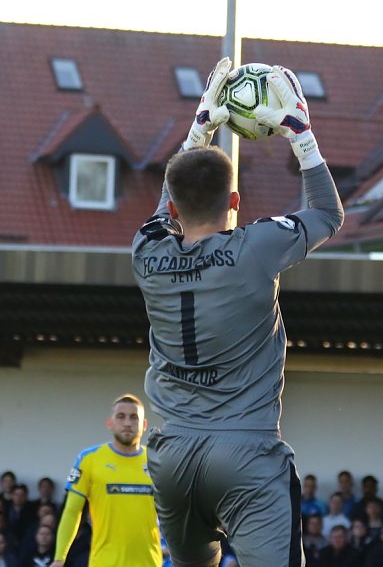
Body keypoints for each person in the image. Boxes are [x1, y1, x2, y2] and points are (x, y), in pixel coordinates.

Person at [132, 57, 343, 567]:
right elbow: (327, 213)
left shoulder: (146, 250)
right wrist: (301, 135)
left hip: (172, 453)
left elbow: (170, 199)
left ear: (175, 209)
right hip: (245, 453)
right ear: (235, 200)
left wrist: (199, 128)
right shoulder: (256, 247)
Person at [50, 394, 161, 567]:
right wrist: (59, 558)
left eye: (134, 417)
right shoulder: (90, 459)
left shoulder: (158, 461)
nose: (127, 423)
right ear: (110, 423)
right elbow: (72, 511)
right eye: (120, 416)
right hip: (104, 562)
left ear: (144, 424)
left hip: (149, 563)